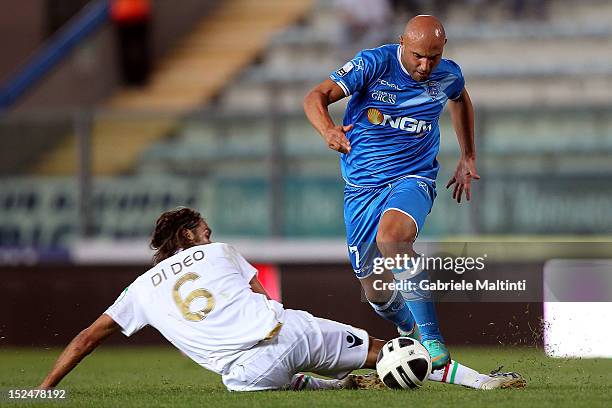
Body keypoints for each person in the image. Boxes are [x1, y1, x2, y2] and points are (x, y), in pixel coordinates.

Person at [39, 208, 523, 391]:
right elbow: (258, 295)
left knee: (249, 383)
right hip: (290, 331)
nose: (211, 233)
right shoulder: (218, 251)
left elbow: (84, 340)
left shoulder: (140, 290)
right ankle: (481, 382)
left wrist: (43, 389)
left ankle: (331, 388)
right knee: (386, 352)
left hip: (248, 373)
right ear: (190, 235)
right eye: (204, 228)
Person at [304, 15, 478, 370]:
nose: (425, 65)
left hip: (413, 176)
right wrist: (327, 131)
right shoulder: (373, 64)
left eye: (433, 57)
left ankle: (431, 340)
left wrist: (467, 155)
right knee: (375, 290)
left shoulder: (449, 74)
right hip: (362, 187)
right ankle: (409, 328)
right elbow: (316, 96)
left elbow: (460, 100)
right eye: (417, 56)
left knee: (393, 239)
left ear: (442, 50)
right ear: (402, 43)